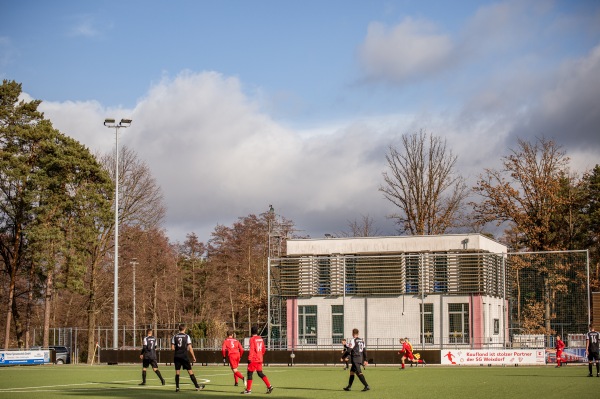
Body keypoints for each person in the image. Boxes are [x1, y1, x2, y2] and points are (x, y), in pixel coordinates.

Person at [171, 323, 205, 392]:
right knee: (190, 371)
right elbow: (190, 348)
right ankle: (197, 386)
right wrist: (193, 357)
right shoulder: (187, 336)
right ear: (184, 329)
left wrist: (178, 349)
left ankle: (177, 388)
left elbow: (172, 348)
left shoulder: (174, 336)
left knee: (177, 372)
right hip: (184, 356)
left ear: (179, 329)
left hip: (177, 356)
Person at [241, 325, 274, 394]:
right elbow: (263, 349)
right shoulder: (260, 338)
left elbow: (252, 349)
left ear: (251, 332)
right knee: (260, 373)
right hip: (260, 359)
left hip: (254, 359)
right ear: (257, 331)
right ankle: (269, 386)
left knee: (249, 374)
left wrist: (249, 358)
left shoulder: (252, 339)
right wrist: (260, 355)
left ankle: (248, 390)